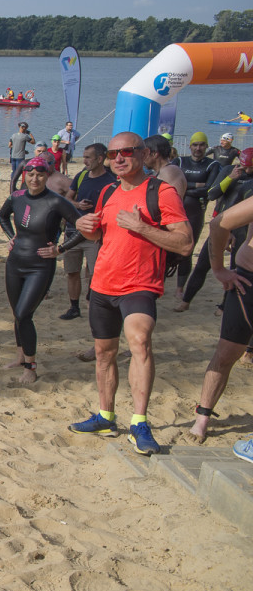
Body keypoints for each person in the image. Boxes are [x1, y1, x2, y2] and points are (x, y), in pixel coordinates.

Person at [68, 132, 193, 455]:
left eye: (126, 152)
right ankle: (106, 415)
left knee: (139, 342)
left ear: (144, 153)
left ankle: (139, 422)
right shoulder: (108, 190)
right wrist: (87, 229)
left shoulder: (160, 192)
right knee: (104, 353)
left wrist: (142, 228)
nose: (118, 159)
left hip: (139, 285)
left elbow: (184, 242)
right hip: (102, 285)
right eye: (112, 154)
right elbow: (101, 236)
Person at [0, 157, 84, 382]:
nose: (35, 179)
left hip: (40, 265)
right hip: (15, 262)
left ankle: (31, 367)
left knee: (25, 314)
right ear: (25, 175)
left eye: (40, 175)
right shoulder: (16, 197)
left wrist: (61, 248)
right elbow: (1, 215)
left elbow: (82, 227)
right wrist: (11, 236)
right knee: (17, 313)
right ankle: (20, 357)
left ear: (47, 176)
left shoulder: (56, 202)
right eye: (31, 174)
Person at [188, 192, 253, 441]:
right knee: (226, 354)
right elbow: (219, 223)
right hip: (248, 284)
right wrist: (218, 268)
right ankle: (202, 418)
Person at [61, 143, 116, 320]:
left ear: (100, 159)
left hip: (96, 236)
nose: (84, 161)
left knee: (95, 273)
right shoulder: (82, 175)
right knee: (72, 271)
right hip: (73, 231)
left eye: (88, 157)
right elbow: (68, 198)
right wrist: (78, 205)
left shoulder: (111, 181)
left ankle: (91, 302)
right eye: (83, 157)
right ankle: (74, 307)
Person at [177, 131, 223, 298]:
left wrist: (183, 187)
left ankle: (179, 288)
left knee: (187, 249)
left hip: (196, 212)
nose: (198, 148)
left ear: (206, 146)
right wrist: (196, 185)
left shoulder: (212, 165)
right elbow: (168, 184)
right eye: (195, 145)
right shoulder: (180, 161)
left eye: (202, 145)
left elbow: (208, 190)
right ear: (190, 146)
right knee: (166, 249)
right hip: (176, 210)